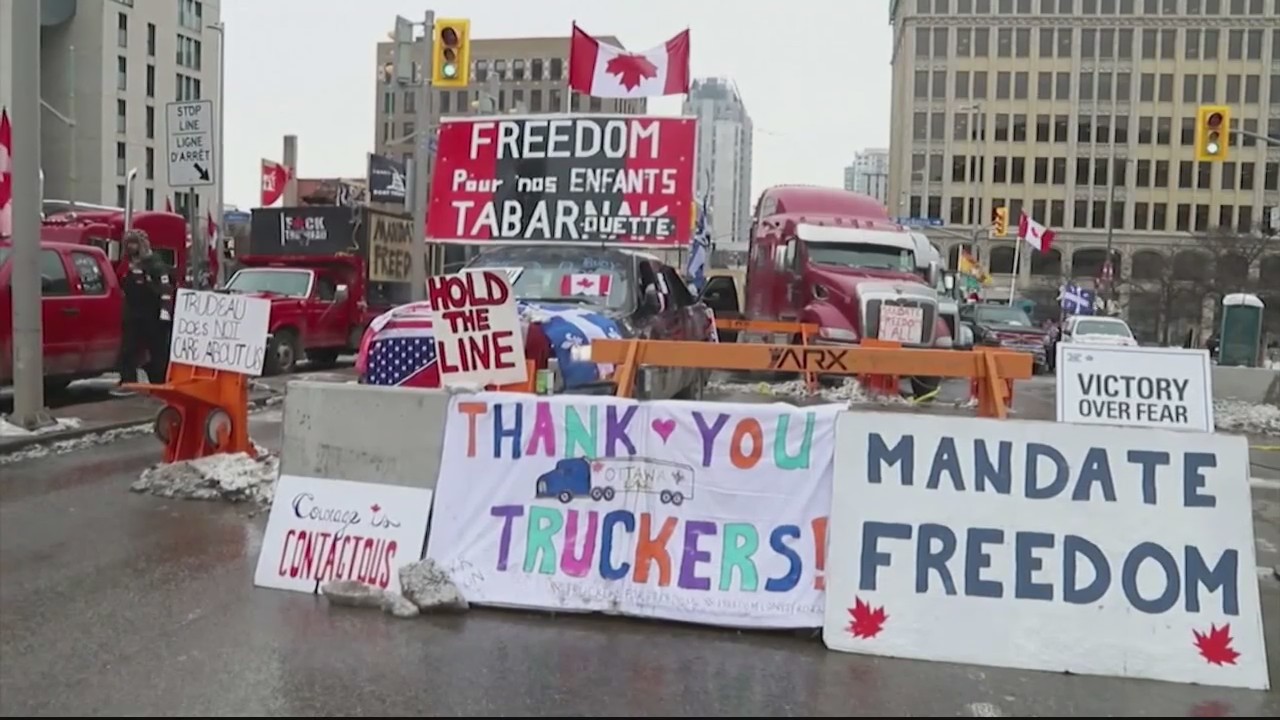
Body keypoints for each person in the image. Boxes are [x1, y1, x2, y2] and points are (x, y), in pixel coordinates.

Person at [113, 229, 175, 394]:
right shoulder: (126, 264)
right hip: (133, 313)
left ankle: (159, 382)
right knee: (128, 349)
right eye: (128, 244)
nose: (131, 247)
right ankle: (128, 380)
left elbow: (165, 288)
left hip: (152, 314)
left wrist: (165, 310)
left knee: (157, 350)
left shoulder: (154, 263)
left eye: (134, 243)